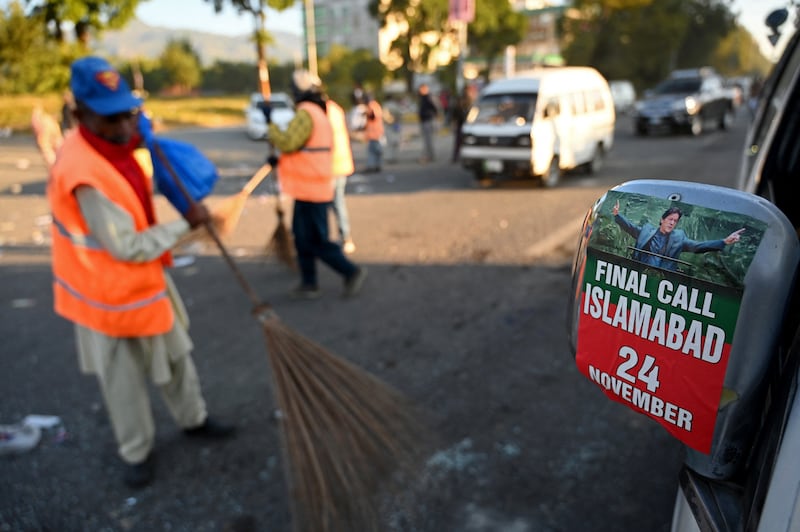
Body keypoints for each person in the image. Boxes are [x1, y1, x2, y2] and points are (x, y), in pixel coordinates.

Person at [47, 56, 235, 489]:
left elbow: (135, 153)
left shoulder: (116, 144)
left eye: (128, 114)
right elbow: (125, 245)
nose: (123, 127)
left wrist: (142, 136)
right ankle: (137, 452)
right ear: (80, 115)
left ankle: (194, 420)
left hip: (146, 282)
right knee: (124, 381)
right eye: (111, 118)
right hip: (103, 293)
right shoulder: (81, 172)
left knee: (176, 356)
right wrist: (187, 224)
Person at [265, 70, 367, 299]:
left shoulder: (306, 113)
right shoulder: (323, 111)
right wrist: (279, 160)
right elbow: (305, 149)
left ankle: (351, 271)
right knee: (303, 239)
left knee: (316, 240)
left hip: (312, 187)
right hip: (311, 186)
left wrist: (269, 125)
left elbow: (289, 141)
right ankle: (309, 283)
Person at [612, 200, 745, 271]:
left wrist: (724, 241)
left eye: (675, 221)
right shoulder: (647, 231)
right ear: (662, 220)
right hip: (638, 275)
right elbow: (629, 227)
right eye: (670, 219)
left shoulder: (678, 238)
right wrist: (617, 215)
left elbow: (698, 246)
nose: (672, 223)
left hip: (663, 282)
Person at [326, 95, 357, 254]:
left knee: (329, 204)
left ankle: (340, 238)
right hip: (341, 163)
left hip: (330, 165)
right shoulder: (335, 108)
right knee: (338, 202)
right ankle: (345, 236)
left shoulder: (322, 110)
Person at [31, 104, 63, 169]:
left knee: (52, 160)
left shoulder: (47, 121)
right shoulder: (47, 121)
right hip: (48, 143)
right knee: (52, 160)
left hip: (49, 143)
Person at [451, 85, 475, 163]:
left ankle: (463, 157)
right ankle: (456, 157)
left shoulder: (471, 100)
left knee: (466, 141)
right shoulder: (461, 100)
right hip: (461, 123)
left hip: (467, 123)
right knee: (459, 141)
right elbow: (455, 111)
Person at [417, 83, 438, 163]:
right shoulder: (422, 98)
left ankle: (428, 156)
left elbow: (435, 108)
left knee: (428, 140)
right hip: (424, 120)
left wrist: (430, 115)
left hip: (428, 120)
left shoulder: (428, 98)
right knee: (426, 140)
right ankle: (430, 155)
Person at [363, 93, 385, 173]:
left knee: (373, 151)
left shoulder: (371, 106)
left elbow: (373, 116)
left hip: (374, 133)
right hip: (376, 132)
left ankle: (372, 166)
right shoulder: (375, 105)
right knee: (376, 151)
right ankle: (377, 166)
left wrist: (366, 113)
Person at [383, 94, 402, 164]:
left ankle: (389, 157)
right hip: (396, 124)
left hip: (388, 125)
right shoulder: (395, 105)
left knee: (389, 142)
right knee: (396, 141)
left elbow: (384, 116)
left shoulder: (385, 105)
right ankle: (395, 156)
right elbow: (400, 114)